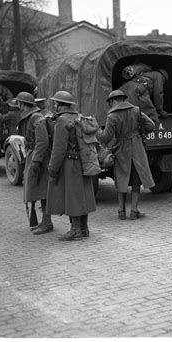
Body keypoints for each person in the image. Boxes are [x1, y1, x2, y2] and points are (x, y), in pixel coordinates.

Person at [97, 90, 155, 220]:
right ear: (123, 99)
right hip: (138, 148)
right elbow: (151, 125)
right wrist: (139, 130)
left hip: (122, 149)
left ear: (113, 101)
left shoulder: (112, 116)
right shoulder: (136, 110)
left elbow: (105, 138)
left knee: (121, 178)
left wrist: (97, 131)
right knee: (136, 179)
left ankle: (121, 211)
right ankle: (134, 210)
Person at [46, 91, 96, 240]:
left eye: (56, 103)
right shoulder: (78, 117)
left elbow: (59, 148)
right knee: (82, 195)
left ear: (59, 104)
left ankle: (75, 230)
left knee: (72, 196)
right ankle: (83, 228)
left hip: (70, 163)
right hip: (83, 161)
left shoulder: (62, 120)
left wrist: (53, 168)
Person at [14, 92, 52, 234]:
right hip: (34, 155)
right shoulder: (29, 117)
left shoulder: (36, 117)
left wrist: (36, 162)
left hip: (40, 157)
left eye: (19, 103)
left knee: (42, 189)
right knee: (37, 189)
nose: (18, 106)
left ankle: (47, 222)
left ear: (23, 104)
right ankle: (45, 221)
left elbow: (43, 142)